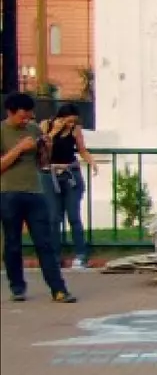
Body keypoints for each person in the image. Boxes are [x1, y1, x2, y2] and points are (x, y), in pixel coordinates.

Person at [1, 92, 76, 304]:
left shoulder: (33, 129)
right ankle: (17, 287)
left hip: (35, 192)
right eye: (22, 117)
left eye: (28, 116)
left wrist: (46, 147)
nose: (26, 120)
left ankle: (58, 289)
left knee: (45, 242)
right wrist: (18, 149)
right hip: (8, 193)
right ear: (10, 112)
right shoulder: (2, 131)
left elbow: (42, 163)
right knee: (12, 243)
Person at [42, 103, 96, 269]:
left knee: (74, 216)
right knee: (53, 218)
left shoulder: (75, 130)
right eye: (68, 121)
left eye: (74, 122)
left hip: (70, 173)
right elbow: (42, 148)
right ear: (60, 117)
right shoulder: (46, 125)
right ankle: (55, 256)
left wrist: (92, 162)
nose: (71, 124)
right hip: (50, 174)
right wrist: (54, 132)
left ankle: (81, 255)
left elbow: (81, 149)